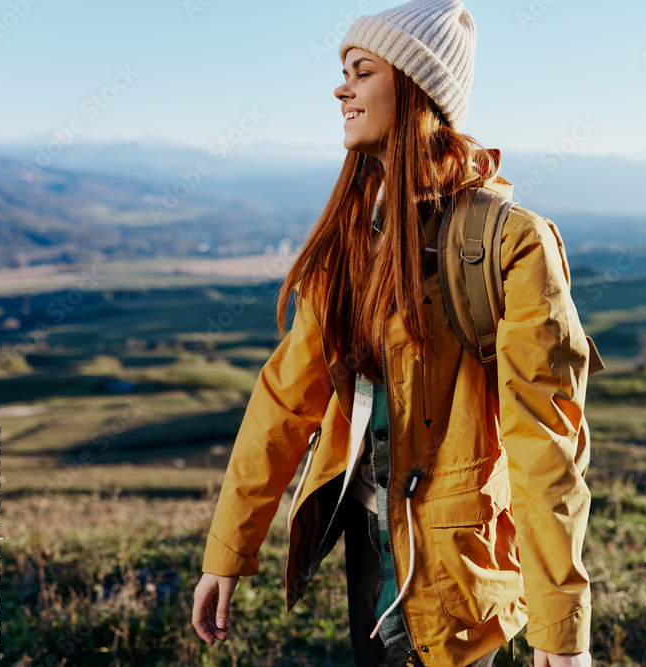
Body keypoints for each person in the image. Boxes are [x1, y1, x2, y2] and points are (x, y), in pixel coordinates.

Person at [191, 1, 594, 665]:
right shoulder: (351, 239)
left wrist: (560, 628)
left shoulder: (514, 242)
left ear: (416, 88)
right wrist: (228, 549)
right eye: (342, 70)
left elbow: (543, 440)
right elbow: (284, 402)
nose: (340, 87)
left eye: (361, 70)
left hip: (461, 565)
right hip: (366, 541)